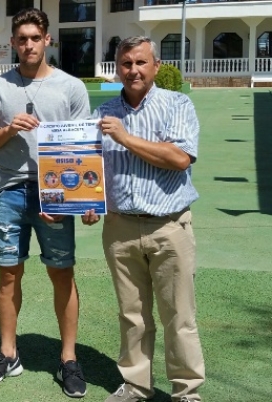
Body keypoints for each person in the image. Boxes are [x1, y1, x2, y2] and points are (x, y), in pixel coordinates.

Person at [0, 8, 98, 398]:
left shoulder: (71, 87)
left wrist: (84, 200)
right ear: (13, 42)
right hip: (8, 190)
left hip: (55, 196)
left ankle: (68, 358)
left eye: (34, 37)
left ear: (47, 40)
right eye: (21, 38)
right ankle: (8, 353)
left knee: (62, 273)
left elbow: (83, 149)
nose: (28, 44)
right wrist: (10, 128)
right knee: (8, 274)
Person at [94, 36, 205, 402]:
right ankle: (136, 385)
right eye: (126, 63)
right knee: (132, 315)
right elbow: (94, 170)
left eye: (141, 62)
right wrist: (88, 203)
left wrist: (125, 138)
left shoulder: (177, 104)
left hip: (169, 225)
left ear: (156, 66)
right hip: (120, 228)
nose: (133, 70)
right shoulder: (104, 113)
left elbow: (179, 159)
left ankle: (186, 390)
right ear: (118, 68)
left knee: (179, 316)